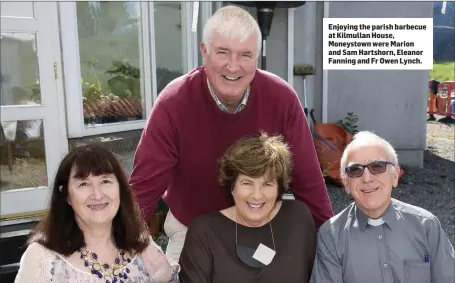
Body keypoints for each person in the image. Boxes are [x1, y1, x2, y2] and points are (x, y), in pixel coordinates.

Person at [129, 5, 333, 264]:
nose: (233, 66)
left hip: (260, 224)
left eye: (245, 55)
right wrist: (112, 251)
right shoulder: (174, 102)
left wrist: (330, 250)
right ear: (204, 51)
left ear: (256, 58)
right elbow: (142, 190)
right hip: (192, 226)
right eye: (223, 52)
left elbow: (309, 182)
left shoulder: (281, 99)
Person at [14, 145, 179, 283]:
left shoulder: (141, 245)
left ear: (120, 189)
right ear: (66, 196)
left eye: (105, 181)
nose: (98, 194)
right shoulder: (43, 258)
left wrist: (167, 275)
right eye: (84, 184)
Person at [310, 131, 455, 283]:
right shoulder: (331, 236)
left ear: (395, 176)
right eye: (356, 170)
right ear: (346, 183)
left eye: (377, 167)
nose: (367, 178)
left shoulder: (426, 226)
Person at [179, 133, 316, 283]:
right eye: (247, 183)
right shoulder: (204, 232)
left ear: (278, 187)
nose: (257, 196)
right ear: (232, 186)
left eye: (267, 184)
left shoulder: (298, 218)